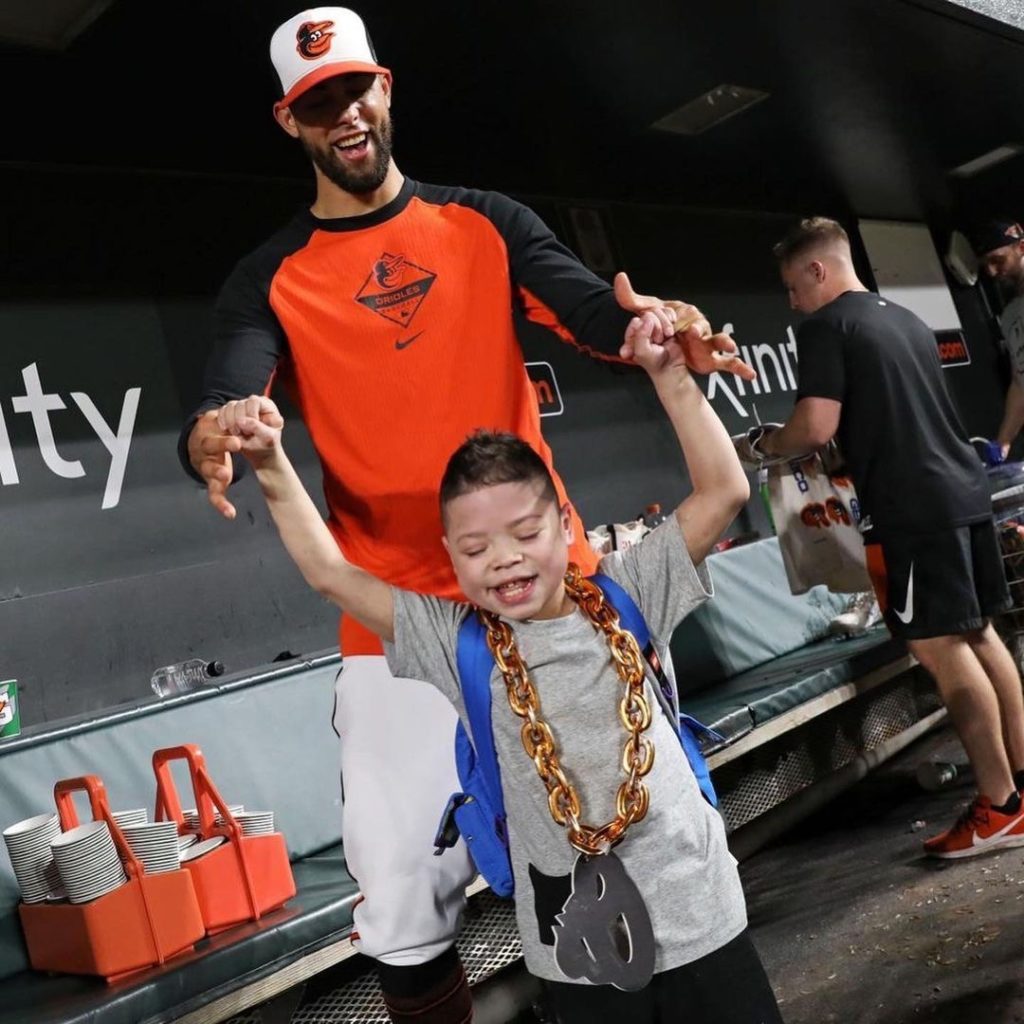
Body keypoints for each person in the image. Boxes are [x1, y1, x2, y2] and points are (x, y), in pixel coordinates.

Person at [179, 7, 753, 1019]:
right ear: (290, 121)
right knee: (399, 900)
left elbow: (594, 313)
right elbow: (226, 399)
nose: (345, 115)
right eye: (319, 104)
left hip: (551, 594)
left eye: (355, 90)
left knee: (630, 832)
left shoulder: (481, 222)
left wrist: (664, 327)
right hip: (396, 614)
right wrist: (216, 436)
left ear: (386, 88)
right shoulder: (270, 275)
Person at [212, 309, 783, 1024]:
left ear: (563, 526)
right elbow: (331, 572)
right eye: (476, 547)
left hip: (703, 919)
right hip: (575, 952)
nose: (505, 558)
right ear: (450, 559)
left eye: (526, 532)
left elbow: (725, 492)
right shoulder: (455, 644)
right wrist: (270, 463)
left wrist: (670, 376)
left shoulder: (631, 590)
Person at [742, 216, 1024, 859]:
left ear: (818, 269)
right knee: (980, 634)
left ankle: (1001, 806)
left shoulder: (824, 325)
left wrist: (764, 446)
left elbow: (812, 430)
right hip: (963, 492)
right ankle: (1019, 789)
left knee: (940, 652)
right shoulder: (903, 319)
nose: (791, 302)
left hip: (913, 509)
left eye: (792, 286)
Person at [974, 221, 1024, 458]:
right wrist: (1003, 440)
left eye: (997, 259)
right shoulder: (1011, 315)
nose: (992, 272)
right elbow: (1020, 381)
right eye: (986, 265)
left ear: (1021, 247)